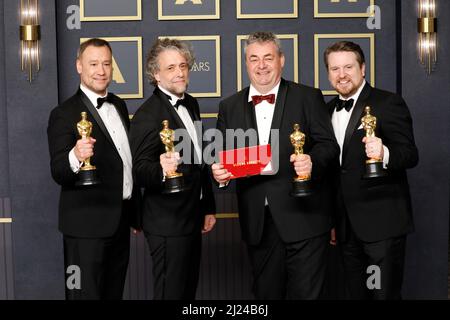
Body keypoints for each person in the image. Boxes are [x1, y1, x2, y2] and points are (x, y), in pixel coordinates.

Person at [211, 32, 339, 299]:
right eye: (254, 59)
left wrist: (312, 161)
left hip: (305, 216)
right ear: (246, 64)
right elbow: (222, 158)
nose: (262, 65)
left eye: (268, 57)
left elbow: (328, 146)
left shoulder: (308, 96)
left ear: (281, 60)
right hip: (258, 223)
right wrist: (220, 174)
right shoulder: (229, 106)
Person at [47, 38, 141, 299]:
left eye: (106, 64)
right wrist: (75, 156)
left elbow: (125, 161)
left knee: (114, 295)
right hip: (84, 229)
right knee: (81, 296)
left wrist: (134, 210)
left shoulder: (119, 105)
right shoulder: (63, 114)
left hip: (120, 222)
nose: (101, 70)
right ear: (79, 66)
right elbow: (58, 171)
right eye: (93, 64)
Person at [324, 41, 419, 299]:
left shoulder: (388, 103)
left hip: (382, 225)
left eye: (348, 67)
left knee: (382, 295)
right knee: (356, 295)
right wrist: (332, 220)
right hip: (345, 227)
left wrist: (384, 152)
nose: (341, 74)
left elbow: (410, 155)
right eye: (335, 69)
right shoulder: (326, 110)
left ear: (363, 69)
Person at [129, 38, 216, 300]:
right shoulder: (148, 114)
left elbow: (198, 162)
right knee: (171, 293)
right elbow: (139, 170)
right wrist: (162, 169)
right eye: (170, 68)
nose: (179, 73)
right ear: (155, 74)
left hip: (191, 215)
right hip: (167, 222)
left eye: (182, 65)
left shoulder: (191, 103)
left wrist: (208, 206)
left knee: (187, 291)